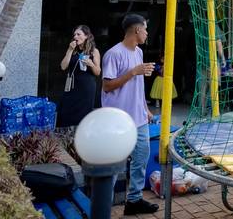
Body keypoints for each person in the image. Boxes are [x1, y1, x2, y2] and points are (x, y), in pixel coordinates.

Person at [101, 14, 159, 216]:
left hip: (140, 119)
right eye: (145, 29)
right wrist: (133, 72)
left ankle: (134, 200)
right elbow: (107, 86)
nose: (146, 33)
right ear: (136, 30)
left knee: (140, 160)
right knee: (114, 166)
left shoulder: (139, 53)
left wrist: (146, 109)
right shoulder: (113, 54)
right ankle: (102, 208)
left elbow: (138, 87)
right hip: (118, 121)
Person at [57, 25, 101, 128]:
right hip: (71, 86)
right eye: (74, 35)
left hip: (86, 87)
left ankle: (81, 135)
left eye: (78, 34)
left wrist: (91, 64)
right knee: (65, 112)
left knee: (83, 114)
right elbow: (63, 67)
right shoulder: (73, 50)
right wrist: (69, 50)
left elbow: (98, 72)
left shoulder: (94, 51)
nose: (75, 37)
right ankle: (66, 138)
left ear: (86, 36)